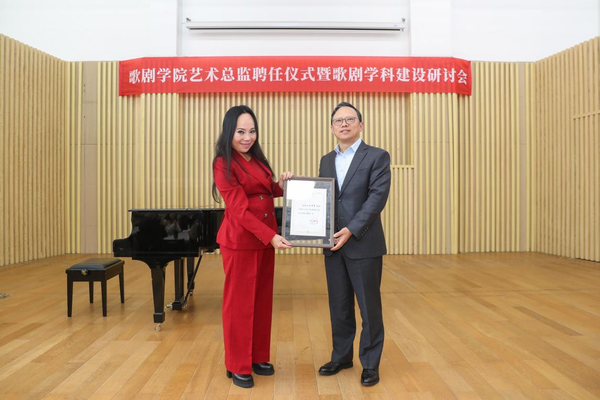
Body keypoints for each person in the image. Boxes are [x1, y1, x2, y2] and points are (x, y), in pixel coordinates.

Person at [212, 105, 294, 389]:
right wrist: (270, 236)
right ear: (229, 132)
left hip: (265, 240)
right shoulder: (223, 163)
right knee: (239, 304)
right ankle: (237, 364)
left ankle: (257, 357)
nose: (247, 137)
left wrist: (284, 184)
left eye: (252, 131)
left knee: (261, 301)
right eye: (240, 132)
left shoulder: (256, 158)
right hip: (242, 241)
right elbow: (238, 209)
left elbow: (267, 190)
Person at [317, 102, 391, 386]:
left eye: (350, 119)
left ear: (361, 125)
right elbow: (323, 199)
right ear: (332, 128)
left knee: (369, 307)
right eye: (338, 121)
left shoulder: (377, 156)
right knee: (339, 305)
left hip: (363, 243)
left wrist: (351, 229)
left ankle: (370, 364)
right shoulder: (326, 160)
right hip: (333, 244)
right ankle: (341, 356)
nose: (344, 124)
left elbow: (376, 198)